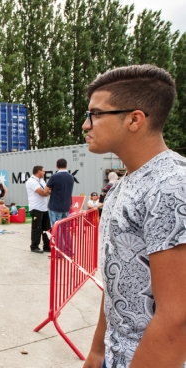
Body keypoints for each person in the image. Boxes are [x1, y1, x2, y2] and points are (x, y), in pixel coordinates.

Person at [82, 65, 186, 368]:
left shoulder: (172, 185)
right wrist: (98, 351)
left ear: (134, 119)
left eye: (96, 114)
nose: (86, 125)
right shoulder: (120, 188)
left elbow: (176, 317)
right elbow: (116, 284)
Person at [26, 165, 52, 253]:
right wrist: (47, 192)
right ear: (38, 171)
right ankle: (34, 246)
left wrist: (47, 192)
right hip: (36, 208)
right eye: (43, 171)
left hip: (44, 207)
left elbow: (47, 191)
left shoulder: (41, 180)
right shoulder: (31, 181)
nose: (44, 172)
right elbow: (42, 193)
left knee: (47, 228)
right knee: (37, 228)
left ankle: (47, 246)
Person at [46, 158, 74, 226]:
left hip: (55, 206)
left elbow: (46, 190)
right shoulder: (71, 177)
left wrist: (50, 191)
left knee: (57, 227)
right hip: (66, 206)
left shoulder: (54, 177)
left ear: (56, 166)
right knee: (65, 228)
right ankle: (67, 237)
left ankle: (58, 237)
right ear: (66, 165)